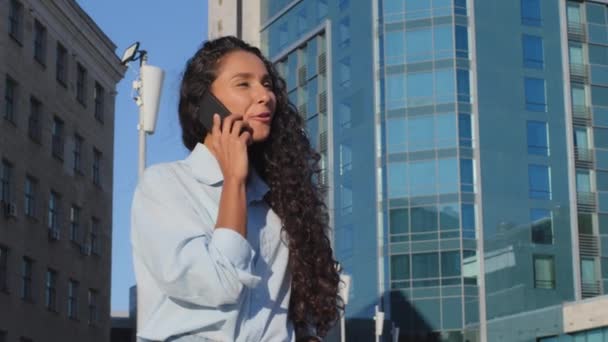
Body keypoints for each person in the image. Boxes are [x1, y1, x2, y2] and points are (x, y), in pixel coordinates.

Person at [131, 36, 342, 342]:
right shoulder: (164, 186)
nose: (265, 96)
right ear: (205, 103)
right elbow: (219, 284)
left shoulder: (277, 207)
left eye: (267, 84)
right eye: (244, 84)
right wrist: (234, 180)